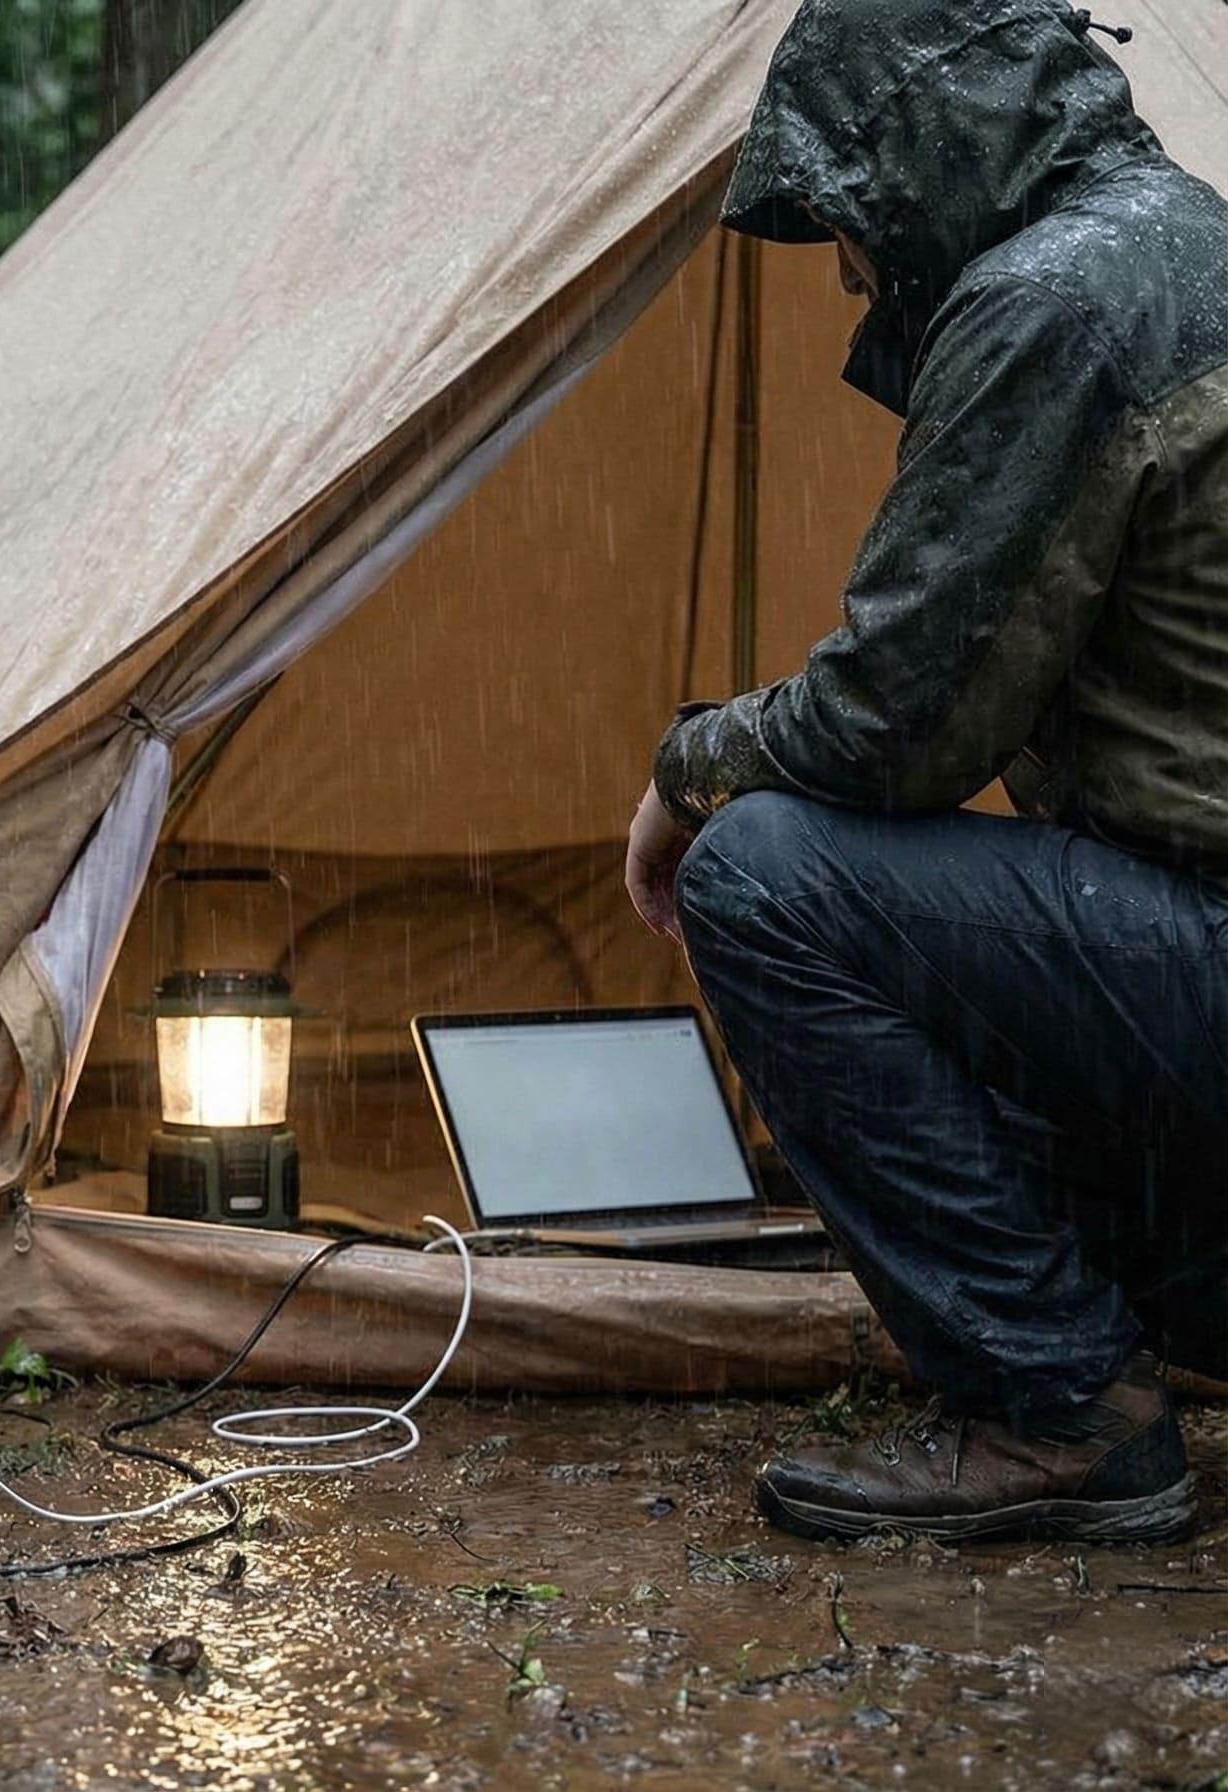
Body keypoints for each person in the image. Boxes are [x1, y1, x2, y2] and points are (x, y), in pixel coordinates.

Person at [625, 0, 1228, 1545]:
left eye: (847, 213)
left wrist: (687, 768)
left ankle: (1062, 1414)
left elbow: (894, 728)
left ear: (923, 156)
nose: (845, 267)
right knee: (979, 941)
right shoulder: (1192, 243)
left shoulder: (1062, 301)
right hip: (1186, 932)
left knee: (768, 876)